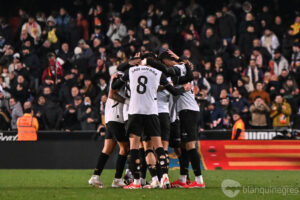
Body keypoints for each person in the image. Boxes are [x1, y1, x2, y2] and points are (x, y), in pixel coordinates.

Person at [89, 73, 129, 188]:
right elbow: (112, 95)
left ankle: (95, 176)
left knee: (108, 148)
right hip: (116, 118)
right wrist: (127, 102)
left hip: (111, 118)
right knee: (125, 148)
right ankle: (117, 179)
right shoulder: (120, 79)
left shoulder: (119, 78)